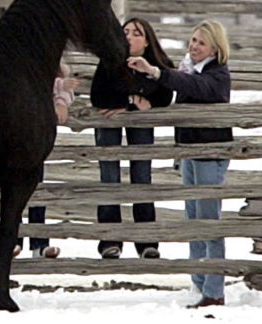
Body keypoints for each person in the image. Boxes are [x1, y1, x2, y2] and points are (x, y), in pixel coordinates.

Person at [127, 19, 231, 308]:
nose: (194, 46)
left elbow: (194, 86)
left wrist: (155, 71)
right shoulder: (188, 68)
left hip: (210, 154)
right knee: (193, 218)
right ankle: (199, 284)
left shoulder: (217, 75)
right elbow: (179, 96)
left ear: (214, 48)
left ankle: (214, 290)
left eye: (201, 42)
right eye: (193, 40)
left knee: (209, 221)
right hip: (189, 152)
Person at [91, 17, 173, 260]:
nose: (128, 36)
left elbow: (164, 95)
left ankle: (146, 241)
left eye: (135, 33)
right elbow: (99, 96)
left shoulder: (155, 64)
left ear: (147, 41)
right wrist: (130, 102)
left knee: (142, 176)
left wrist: (135, 97)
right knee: (109, 177)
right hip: (110, 124)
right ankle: (110, 239)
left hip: (141, 126)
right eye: (124, 31)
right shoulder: (109, 61)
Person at [14, 58, 80, 259]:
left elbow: (68, 93)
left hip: (38, 138)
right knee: (14, 191)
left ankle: (39, 243)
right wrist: (59, 85)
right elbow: (23, 84)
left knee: (37, 188)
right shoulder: (18, 57)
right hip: (14, 135)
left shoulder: (55, 62)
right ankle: (12, 241)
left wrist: (60, 101)